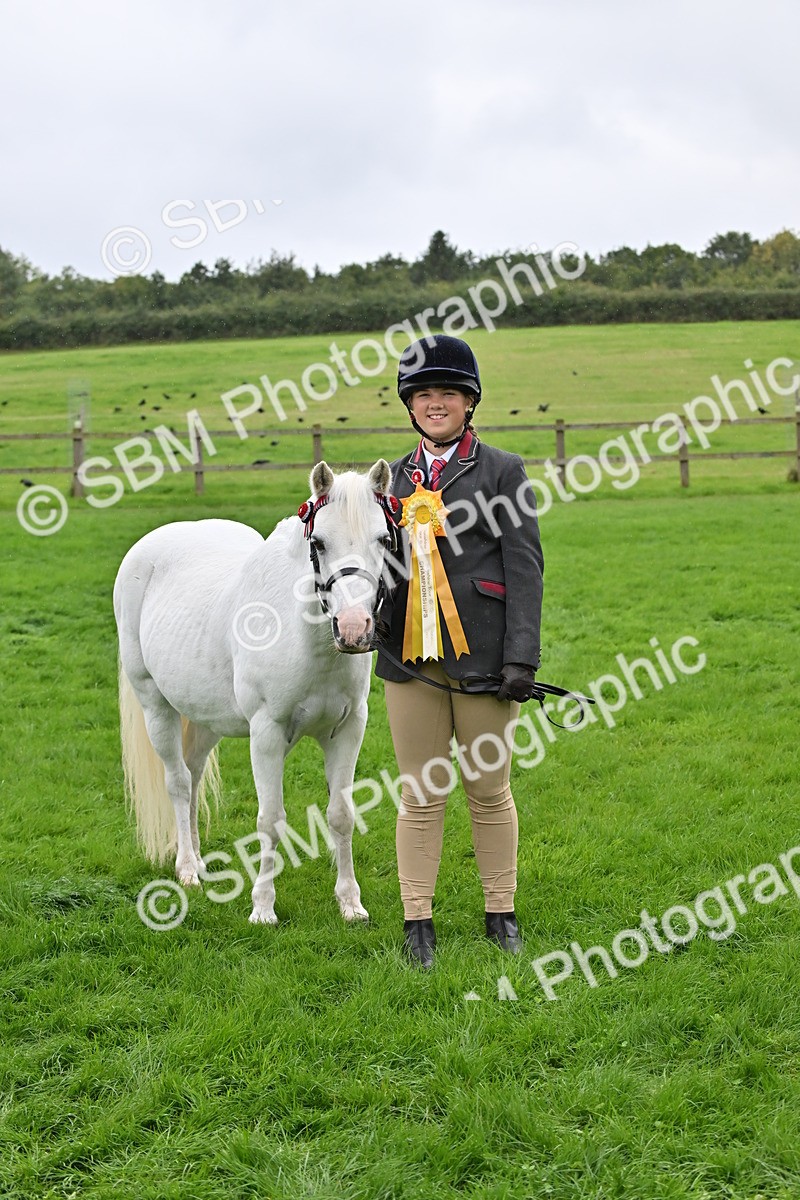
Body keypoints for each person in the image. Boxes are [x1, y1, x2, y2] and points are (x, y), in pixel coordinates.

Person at [375, 334, 544, 968]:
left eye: (447, 393)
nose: (436, 403)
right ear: (410, 405)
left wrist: (521, 658)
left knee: (489, 790)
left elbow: (524, 568)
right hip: (409, 662)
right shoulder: (389, 478)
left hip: (486, 659)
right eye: (424, 395)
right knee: (420, 792)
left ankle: (500, 910)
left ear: (469, 402)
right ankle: (417, 920)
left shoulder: (504, 470)